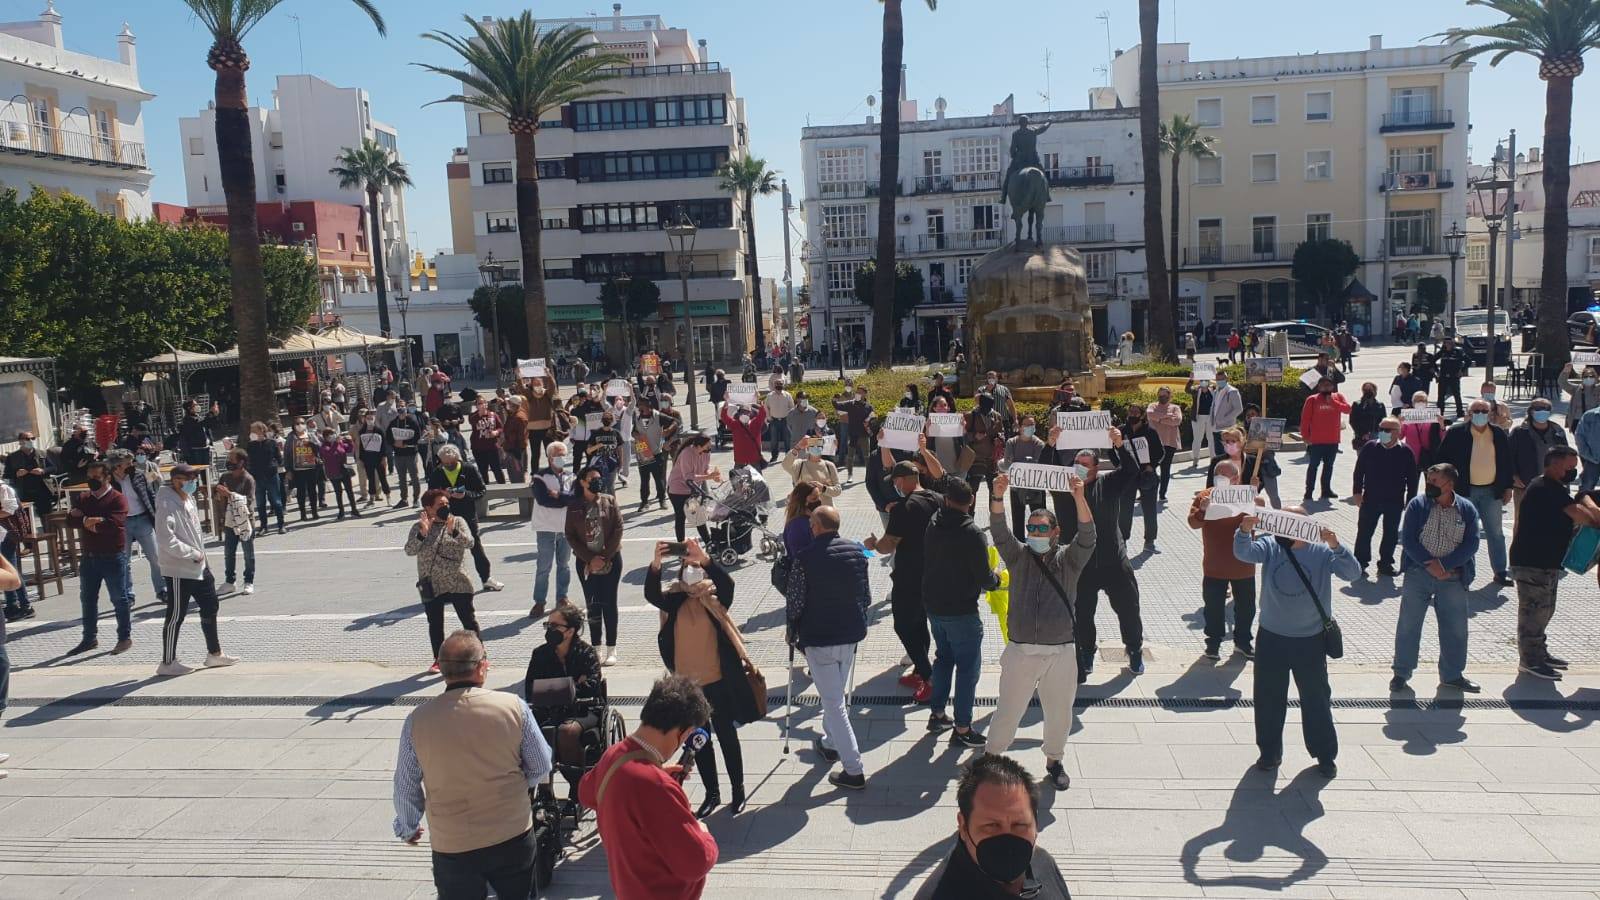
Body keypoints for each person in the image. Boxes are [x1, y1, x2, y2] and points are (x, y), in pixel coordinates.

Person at [393, 630, 553, 897]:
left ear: (443, 670)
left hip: (452, 842)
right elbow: (541, 764)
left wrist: (407, 827)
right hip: (510, 832)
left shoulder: (417, 720)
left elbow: (406, 785)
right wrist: (513, 786)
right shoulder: (513, 706)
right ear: (481, 668)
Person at [984, 472, 1094, 789]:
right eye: (1031, 528)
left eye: (1042, 528)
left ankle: (1054, 760)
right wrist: (997, 496)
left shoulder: (1068, 560)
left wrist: (1079, 497)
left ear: (1056, 532)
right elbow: (999, 531)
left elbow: (1088, 536)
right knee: (1008, 711)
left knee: (1059, 713)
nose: (1035, 532)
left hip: (1060, 652)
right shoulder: (1018, 556)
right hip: (1021, 651)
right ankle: (992, 758)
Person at [1233, 506, 1358, 778]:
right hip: (1271, 638)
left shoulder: (1322, 551)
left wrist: (1336, 544)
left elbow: (1353, 573)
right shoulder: (1270, 544)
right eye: (1281, 520)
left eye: (1290, 521)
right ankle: (1269, 752)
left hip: (1309, 640)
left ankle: (1324, 755)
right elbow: (1243, 553)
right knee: (1268, 698)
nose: (1283, 526)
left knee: (1316, 699)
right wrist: (1244, 530)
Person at [578, 675, 718, 899]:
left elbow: (586, 793)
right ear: (679, 732)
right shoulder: (656, 786)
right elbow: (696, 862)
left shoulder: (613, 755)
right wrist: (704, 834)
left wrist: (656, 773)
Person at [644, 539, 754, 816]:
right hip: (689, 687)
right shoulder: (674, 599)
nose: (691, 569)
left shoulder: (715, 598)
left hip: (718, 680)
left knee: (728, 736)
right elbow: (651, 594)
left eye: (695, 566)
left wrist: (704, 559)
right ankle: (711, 793)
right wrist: (656, 563)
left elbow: (728, 584)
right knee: (699, 742)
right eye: (686, 564)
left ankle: (738, 791)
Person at [785, 505, 871, 790]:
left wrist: (791, 632)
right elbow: (866, 595)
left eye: (812, 523)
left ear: (818, 527)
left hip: (819, 636)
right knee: (835, 697)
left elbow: (796, 601)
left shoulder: (805, 558)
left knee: (834, 704)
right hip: (849, 633)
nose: (809, 527)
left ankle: (854, 769)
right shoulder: (857, 552)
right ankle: (831, 743)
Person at [1051, 428, 1143, 681]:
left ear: (1095, 468)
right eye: (1075, 464)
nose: (1078, 468)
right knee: (1082, 613)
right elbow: (1044, 472)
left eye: (1084, 464)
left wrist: (1119, 445)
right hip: (1082, 565)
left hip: (1114, 560)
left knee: (1128, 608)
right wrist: (1050, 445)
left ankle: (1134, 649)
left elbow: (1131, 470)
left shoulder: (1109, 484)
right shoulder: (1063, 488)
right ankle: (1086, 652)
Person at [914, 754, 1072, 900]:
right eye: (992, 825)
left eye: (1019, 824)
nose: (1007, 839)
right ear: (963, 826)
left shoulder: (1043, 863)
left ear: (1035, 825)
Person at [1509, 446, 1600, 680]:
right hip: (1533, 562)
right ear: (1553, 464)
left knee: (1545, 610)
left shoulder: (1553, 487)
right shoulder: (1545, 488)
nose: (1573, 472)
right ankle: (1530, 660)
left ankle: (1539, 653)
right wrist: (1586, 498)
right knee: (1533, 613)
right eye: (1569, 467)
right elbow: (1588, 519)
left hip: (1546, 561)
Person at [921, 479, 1000, 749]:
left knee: (943, 659)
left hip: (934, 606)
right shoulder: (973, 533)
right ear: (972, 502)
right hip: (961, 610)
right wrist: (998, 580)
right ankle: (963, 728)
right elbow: (984, 577)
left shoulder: (934, 522)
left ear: (946, 500)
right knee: (967, 669)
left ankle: (938, 714)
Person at [1393, 463, 1484, 694]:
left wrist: (1445, 565)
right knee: (1408, 625)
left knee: (1455, 628)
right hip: (1419, 574)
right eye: (1428, 480)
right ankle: (1401, 673)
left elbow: (1472, 543)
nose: (1429, 485)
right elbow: (1409, 539)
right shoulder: (1418, 505)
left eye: (1435, 481)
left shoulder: (1466, 509)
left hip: (1452, 576)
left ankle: (1452, 675)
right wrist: (1429, 564)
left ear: (1450, 484)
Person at [867, 459, 943, 702]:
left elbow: (887, 545)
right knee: (919, 622)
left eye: (896, 481)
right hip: (935, 573)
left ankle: (929, 677)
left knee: (903, 624)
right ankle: (920, 670)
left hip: (910, 575)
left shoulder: (903, 508)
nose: (895, 486)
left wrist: (872, 544)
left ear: (903, 480)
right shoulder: (938, 499)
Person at [154, 463, 236, 676]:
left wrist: (202, 559)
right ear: (176, 480)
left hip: (200, 566)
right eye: (189, 479)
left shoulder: (187, 498)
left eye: (194, 479)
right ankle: (168, 662)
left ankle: (214, 654)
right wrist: (191, 554)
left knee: (210, 606)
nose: (193, 483)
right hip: (179, 569)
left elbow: (194, 532)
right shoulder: (165, 502)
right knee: (176, 615)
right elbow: (165, 538)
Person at [524, 601, 603, 801]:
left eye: (554, 626)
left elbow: (592, 686)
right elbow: (532, 690)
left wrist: (553, 688)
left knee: (567, 731)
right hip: (548, 711)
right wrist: (572, 685)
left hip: (583, 710)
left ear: (570, 631)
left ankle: (578, 785)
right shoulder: (540, 654)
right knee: (528, 731)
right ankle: (541, 789)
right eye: (547, 625)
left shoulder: (586, 653)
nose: (549, 630)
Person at [1188, 457, 1261, 659]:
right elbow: (1193, 523)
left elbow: (1263, 516)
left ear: (1237, 478)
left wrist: (1254, 496)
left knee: (1246, 608)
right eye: (1218, 475)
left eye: (1226, 476)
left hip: (1243, 564)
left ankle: (1243, 642)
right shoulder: (1205, 496)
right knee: (1213, 608)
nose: (1222, 479)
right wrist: (1203, 510)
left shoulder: (1247, 494)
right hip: (1215, 565)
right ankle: (1213, 644)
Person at [1436, 399, 1514, 587]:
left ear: (1490, 413)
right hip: (1464, 492)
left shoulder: (1498, 434)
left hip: (1491, 492)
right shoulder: (1456, 433)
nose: (1480, 414)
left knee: (1495, 533)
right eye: (1476, 410)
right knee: (1463, 534)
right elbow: (1441, 460)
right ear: (1469, 413)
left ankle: (1500, 572)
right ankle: (1465, 573)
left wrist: (1508, 487)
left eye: (1484, 410)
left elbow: (1507, 462)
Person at [406, 488, 482, 672]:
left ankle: (480, 656)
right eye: (440, 505)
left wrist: (453, 532)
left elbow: (470, 543)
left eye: (447, 504)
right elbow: (410, 550)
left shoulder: (458, 522)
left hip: (458, 580)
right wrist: (422, 534)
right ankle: (438, 659)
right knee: (435, 623)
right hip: (432, 583)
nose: (445, 507)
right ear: (428, 508)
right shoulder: (419, 527)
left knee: (468, 621)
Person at [65, 460, 130, 656]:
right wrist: (88, 520)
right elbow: (71, 520)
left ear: (107, 477)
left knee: (119, 598)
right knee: (88, 598)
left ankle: (124, 637)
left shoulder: (117, 498)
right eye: (90, 477)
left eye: (96, 477)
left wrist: (95, 521)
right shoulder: (84, 498)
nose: (92, 481)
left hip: (112, 556)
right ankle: (89, 638)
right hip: (89, 557)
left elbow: (114, 524)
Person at [426, 445, 503, 591]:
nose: (448, 465)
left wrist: (465, 495)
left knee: (475, 545)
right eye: (445, 463)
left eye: (451, 462)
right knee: (446, 549)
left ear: (457, 458)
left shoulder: (469, 469)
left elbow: (481, 491)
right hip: (445, 515)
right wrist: (442, 494)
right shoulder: (436, 473)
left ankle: (486, 578)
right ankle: (447, 585)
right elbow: (430, 495)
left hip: (467, 513)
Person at [568, 465, 624, 663]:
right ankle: (596, 647)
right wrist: (590, 559)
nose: (597, 482)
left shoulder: (609, 501)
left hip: (611, 560)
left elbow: (618, 529)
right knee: (593, 604)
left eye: (598, 478)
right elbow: (571, 536)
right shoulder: (574, 506)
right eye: (592, 478)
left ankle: (612, 648)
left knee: (610, 602)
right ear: (583, 482)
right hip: (586, 562)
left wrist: (604, 557)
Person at [1352, 417, 1417, 579]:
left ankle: (1385, 563)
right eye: (1381, 429)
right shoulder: (1370, 447)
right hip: (1370, 499)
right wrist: (1357, 493)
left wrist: (1410, 502)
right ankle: (1360, 562)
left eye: (1387, 430)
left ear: (1397, 432)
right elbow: (1359, 472)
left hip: (1394, 501)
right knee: (1364, 532)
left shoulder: (1406, 451)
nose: (1383, 432)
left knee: (1391, 533)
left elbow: (1413, 479)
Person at [106, 448, 165, 614]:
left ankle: (162, 590)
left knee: (155, 557)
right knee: (124, 561)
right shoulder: (109, 480)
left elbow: (150, 494)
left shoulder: (138, 475)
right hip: (122, 523)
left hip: (142, 519)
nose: (131, 464)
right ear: (117, 466)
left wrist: (156, 515)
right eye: (127, 463)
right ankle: (127, 594)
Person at [529, 441, 576, 620]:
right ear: (549, 458)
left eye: (564, 454)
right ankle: (539, 601)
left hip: (565, 528)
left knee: (564, 565)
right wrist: (565, 499)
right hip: (546, 528)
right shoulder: (539, 477)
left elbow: (575, 498)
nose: (562, 458)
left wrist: (560, 496)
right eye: (558, 455)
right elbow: (543, 500)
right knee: (544, 567)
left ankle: (562, 597)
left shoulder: (571, 476)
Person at [1509, 397, 1568, 527]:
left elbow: (1566, 455)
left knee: (1550, 522)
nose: (1543, 411)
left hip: (1553, 484)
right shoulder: (1519, 431)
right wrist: (1513, 475)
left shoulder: (1557, 431)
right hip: (1525, 485)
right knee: (1522, 522)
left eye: (1546, 409)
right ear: (1531, 411)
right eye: (1538, 408)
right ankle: (1519, 547)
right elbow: (1509, 456)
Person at [1119, 404, 1164, 549]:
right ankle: (1123, 538)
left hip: (1147, 474)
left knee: (1150, 508)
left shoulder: (1150, 432)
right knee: (1125, 509)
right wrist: (1118, 466)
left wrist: (1152, 466)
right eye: (1130, 411)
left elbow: (1160, 452)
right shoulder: (1121, 431)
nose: (1132, 414)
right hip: (1128, 475)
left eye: (1136, 412)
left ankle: (1150, 540)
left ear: (1142, 415)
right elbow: (1111, 450)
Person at [1300, 376, 1351, 501]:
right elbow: (1305, 419)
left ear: (1332, 387)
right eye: (1323, 385)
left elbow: (1348, 410)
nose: (1326, 387)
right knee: (1313, 466)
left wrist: (1333, 402)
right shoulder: (1312, 400)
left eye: (1328, 385)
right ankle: (1309, 492)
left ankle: (1326, 490)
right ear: (1319, 387)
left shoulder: (1338, 397)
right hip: (1316, 441)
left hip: (1332, 440)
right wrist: (1305, 436)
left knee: (1329, 466)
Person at [666, 434, 720, 545]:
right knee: (680, 516)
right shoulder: (687, 453)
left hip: (692, 491)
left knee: (698, 516)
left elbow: (705, 469)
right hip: (678, 491)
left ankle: (709, 543)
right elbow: (688, 477)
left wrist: (712, 475)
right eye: (707, 446)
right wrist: (709, 477)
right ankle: (681, 545)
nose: (709, 448)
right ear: (698, 446)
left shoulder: (706, 453)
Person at [215, 450, 257, 595]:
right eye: (229, 459)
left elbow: (249, 501)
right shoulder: (225, 476)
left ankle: (249, 581)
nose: (229, 462)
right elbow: (218, 496)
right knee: (229, 552)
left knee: (248, 553)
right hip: (229, 521)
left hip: (245, 521)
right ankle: (229, 581)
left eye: (232, 460)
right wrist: (219, 494)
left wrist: (229, 494)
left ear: (241, 462)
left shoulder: (248, 479)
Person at [1002, 414, 1048, 539]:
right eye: (1027, 425)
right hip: (1017, 487)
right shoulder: (1012, 442)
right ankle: (1019, 546)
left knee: (1039, 518)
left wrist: (1019, 463)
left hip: (1035, 487)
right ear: (1020, 427)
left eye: (1032, 425)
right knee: (1017, 520)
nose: (1030, 427)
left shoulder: (1039, 444)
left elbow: (1037, 464)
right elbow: (1008, 464)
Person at [1399, 391, 1444, 497]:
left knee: (1431, 486)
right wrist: (1400, 423)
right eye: (1417, 400)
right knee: (1412, 486)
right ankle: (1411, 507)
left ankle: (1429, 507)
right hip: (1412, 457)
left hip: (1429, 456)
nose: (1420, 402)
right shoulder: (1408, 417)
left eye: (1422, 400)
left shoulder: (1433, 417)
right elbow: (1400, 436)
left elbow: (1442, 438)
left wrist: (1442, 424)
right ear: (1413, 403)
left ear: (1427, 403)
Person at [243, 421, 286, 532]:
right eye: (251, 431)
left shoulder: (272, 443)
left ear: (262, 431)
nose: (252, 433)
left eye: (254, 430)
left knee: (276, 501)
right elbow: (247, 460)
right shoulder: (250, 445)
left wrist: (274, 465)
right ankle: (263, 526)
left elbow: (279, 458)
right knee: (260, 503)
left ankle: (281, 525)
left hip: (271, 476)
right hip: (257, 477)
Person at [632, 396, 669, 513]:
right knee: (644, 479)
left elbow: (675, 422)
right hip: (642, 451)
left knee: (659, 479)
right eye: (638, 405)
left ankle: (662, 500)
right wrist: (635, 435)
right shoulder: (637, 417)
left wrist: (667, 435)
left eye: (640, 405)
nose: (638, 407)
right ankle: (644, 502)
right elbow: (634, 430)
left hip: (656, 452)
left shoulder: (658, 416)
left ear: (648, 406)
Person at [1146, 387, 1183, 500]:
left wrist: (1159, 419)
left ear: (1169, 396)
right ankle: (1146, 491)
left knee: (1165, 469)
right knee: (1149, 468)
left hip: (1169, 443)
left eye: (1164, 395)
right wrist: (1166, 417)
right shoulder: (1152, 405)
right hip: (1153, 442)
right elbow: (1149, 414)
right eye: (1160, 395)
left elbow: (1177, 421)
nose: (1162, 397)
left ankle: (1162, 494)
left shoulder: (1175, 408)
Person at [4, 430, 54, 515]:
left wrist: (43, 471)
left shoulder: (41, 453)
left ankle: (48, 528)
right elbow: (6, 475)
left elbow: (54, 468)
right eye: (27, 439)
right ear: (20, 442)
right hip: (23, 492)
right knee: (27, 519)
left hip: (42, 490)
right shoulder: (12, 457)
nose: (30, 441)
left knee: (47, 517)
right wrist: (16, 473)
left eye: (32, 438)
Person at [318, 427, 361, 520]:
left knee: (350, 491)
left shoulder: (340, 443)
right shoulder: (324, 447)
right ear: (326, 437)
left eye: (334, 433)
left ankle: (354, 510)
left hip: (344, 470)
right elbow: (329, 454)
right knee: (338, 493)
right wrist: (336, 443)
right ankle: (341, 511)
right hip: (334, 472)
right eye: (331, 434)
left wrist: (350, 442)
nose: (334, 435)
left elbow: (348, 450)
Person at [387, 401, 424, 508]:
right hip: (398, 454)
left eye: (402, 407)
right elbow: (388, 436)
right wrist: (394, 443)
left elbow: (418, 436)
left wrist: (405, 443)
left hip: (411, 453)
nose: (400, 409)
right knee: (401, 478)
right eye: (398, 407)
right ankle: (404, 499)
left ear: (406, 408)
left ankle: (416, 499)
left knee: (414, 477)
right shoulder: (393, 422)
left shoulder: (412, 421)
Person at [285, 418, 322, 522]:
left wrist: (313, 442)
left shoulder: (310, 435)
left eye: (302, 423)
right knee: (301, 491)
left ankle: (314, 511)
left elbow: (319, 446)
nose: (300, 425)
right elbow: (287, 453)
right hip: (297, 469)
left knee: (312, 490)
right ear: (293, 425)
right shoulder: (291, 437)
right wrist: (288, 469)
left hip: (311, 468)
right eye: (297, 423)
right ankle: (303, 513)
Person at [468, 397, 506, 485]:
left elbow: (500, 428)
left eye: (484, 403)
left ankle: (503, 487)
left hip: (492, 446)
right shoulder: (473, 416)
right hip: (478, 447)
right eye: (479, 403)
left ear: (487, 404)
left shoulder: (493, 415)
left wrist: (496, 432)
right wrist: (480, 414)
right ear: (476, 406)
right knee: (482, 470)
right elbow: (472, 421)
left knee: (496, 468)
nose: (482, 405)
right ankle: (486, 488)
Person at [176, 399, 221, 466]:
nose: (198, 406)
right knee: (197, 471)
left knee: (206, 471)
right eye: (195, 405)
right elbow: (200, 423)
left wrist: (215, 415)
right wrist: (211, 413)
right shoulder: (188, 419)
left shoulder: (198, 416)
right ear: (189, 408)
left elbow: (210, 424)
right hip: (195, 451)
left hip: (205, 448)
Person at [1433, 338, 1468, 419]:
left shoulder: (1458, 352)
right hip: (1443, 376)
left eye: (1449, 343)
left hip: (1454, 377)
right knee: (1441, 395)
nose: (1447, 345)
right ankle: (1440, 412)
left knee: (1456, 394)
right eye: (1446, 343)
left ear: (1452, 344)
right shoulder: (1443, 352)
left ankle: (1460, 412)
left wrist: (1462, 371)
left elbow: (1468, 361)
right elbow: (1432, 360)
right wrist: (1437, 371)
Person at [1209, 370, 1243, 454]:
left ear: (1226, 379)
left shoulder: (1232, 391)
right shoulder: (1216, 391)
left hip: (1227, 428)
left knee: (1228, 453)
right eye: (1218, 379)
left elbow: (1238, 409)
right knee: (1219, 454)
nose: (1220, 381)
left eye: (1222, 379)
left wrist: (1224, 419)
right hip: (1216, 428)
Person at [1560, 363, 1600, 430]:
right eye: (1586, 376)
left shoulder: (1598, 389)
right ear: (1582, 378)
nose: (1588, 378)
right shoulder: (1576, 389)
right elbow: (1562, 382)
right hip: (1578, 420)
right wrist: (1566, 371)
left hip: (1595, 421)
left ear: (1595, 377)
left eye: (1591, 376)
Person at [764, 379, 795, 463]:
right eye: (777, 383)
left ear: (783, 384)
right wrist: (768, 417)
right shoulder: (769, 396)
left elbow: (792, 407)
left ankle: (788, 457)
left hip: (785, 421)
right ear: (774, 385)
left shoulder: (787, 395)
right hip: (774, 421)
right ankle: (774, 457)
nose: (778, 385)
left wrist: (790, 418)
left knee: (787, 440)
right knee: (774, 440)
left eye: (780, 383)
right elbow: (766, 407)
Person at [1348, 382, 1386, 448]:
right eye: (1365, 390)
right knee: (1363, 457)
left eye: (1370, 390)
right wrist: (1362, 433)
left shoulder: (1380, 405)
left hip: (1376, 435)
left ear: (1375, 391)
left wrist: (1384, 439)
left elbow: (1384, 422)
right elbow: (1353, 421)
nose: (1368, 392)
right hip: (1362, 437)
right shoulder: (1357, 404)